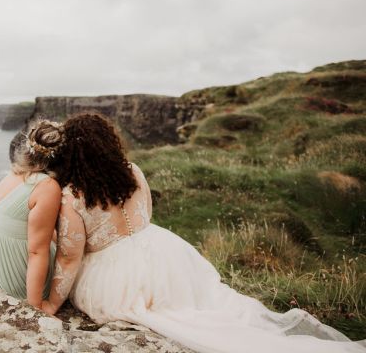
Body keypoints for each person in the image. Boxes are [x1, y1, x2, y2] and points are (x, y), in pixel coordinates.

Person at [41, 113, 366, 353]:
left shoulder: (73, 195)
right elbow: (145, 217)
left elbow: (70, 260)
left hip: (115, 278)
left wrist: (51, 305)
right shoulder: (133, 172)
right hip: (164, 257)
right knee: (206, 307)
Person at [0, 119, 64, 309]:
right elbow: (36, 251)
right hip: (11, 281)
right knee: (74, 261)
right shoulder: (47, 187)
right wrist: (35, 306)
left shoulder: (14, 173)